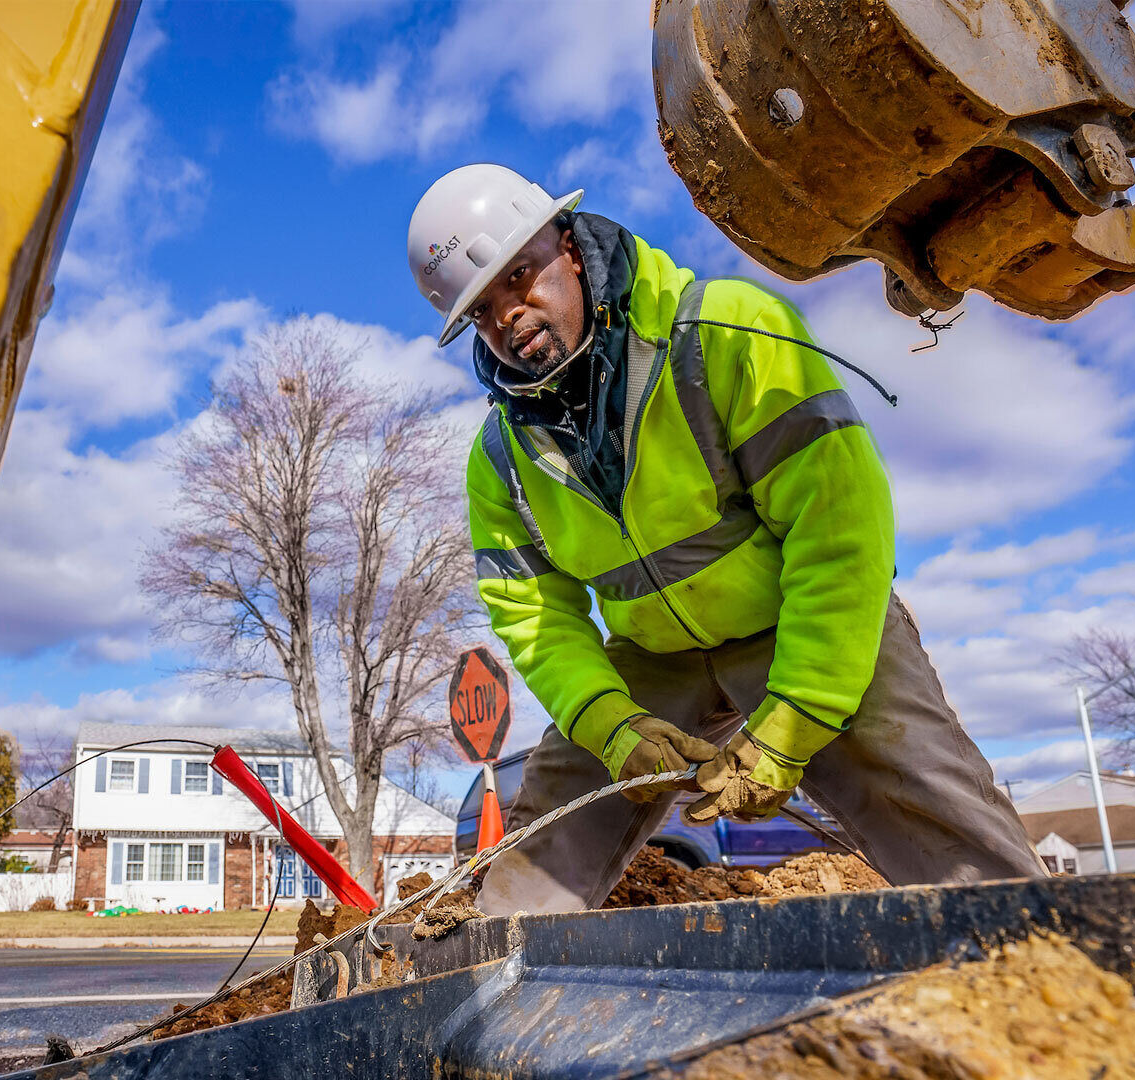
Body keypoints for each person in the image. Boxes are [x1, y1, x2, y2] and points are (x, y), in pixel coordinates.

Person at [407, 164, 1044, 915]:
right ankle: (495, 986)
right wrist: (612, 725)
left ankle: (1050, 949)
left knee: (920, 791)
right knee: (558, 816)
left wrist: (795, 721)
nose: (510, 315)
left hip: (799, 620)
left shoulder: (725, 332)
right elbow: (535, 614)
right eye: (482, 311)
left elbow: (839, 528)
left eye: (520, 275)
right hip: (653, 657)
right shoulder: (500, 459)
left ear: (569, 247)